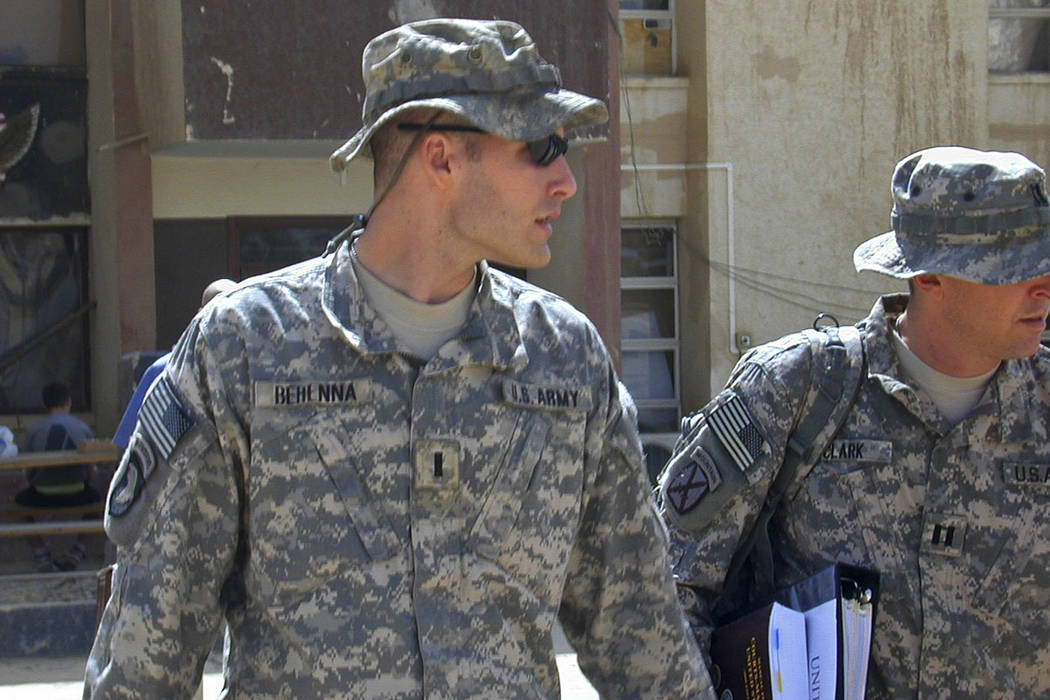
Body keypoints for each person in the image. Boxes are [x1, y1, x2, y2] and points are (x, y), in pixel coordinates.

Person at [87, 18, 712, 698]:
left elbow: (647, 645)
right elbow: (146, 656)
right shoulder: (244, 350)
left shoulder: (564, 361)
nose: (565, 180)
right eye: (541, 148)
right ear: (440, 158)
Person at [657, 145, 1050, 696]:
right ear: (932, 276)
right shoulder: (798, 389)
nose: (1045, 288)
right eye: (1018, 270)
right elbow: (664, 587)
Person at [112, 278, 236, 450]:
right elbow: (132, 443)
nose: (223, 322)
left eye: (230, 314)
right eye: (216, 312)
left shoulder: (254, 373)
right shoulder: (166, 371)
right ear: (200, 313)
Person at [16, 381, 100, 572]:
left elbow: (28, 469)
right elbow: (91, 470)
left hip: (42, 493)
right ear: (68, 401)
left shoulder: (34, 430)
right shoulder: (83, 428)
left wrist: (37, 483)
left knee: (17, 506)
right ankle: (78, 551)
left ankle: (41, 554)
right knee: (101, 500)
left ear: (45, 404)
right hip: (77, 491)